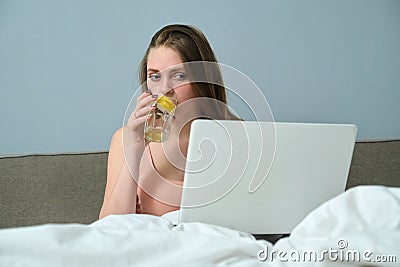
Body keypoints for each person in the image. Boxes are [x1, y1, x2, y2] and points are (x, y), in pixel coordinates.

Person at [99, 24, 238, 219]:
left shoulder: (235, 138)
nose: (164, 89)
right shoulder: (126, 140)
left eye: (179, 76)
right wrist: (135, 149)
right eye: (155, 76)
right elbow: (109, 229)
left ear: (203, 82)